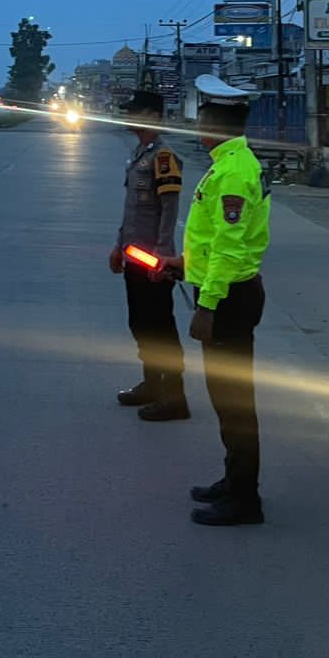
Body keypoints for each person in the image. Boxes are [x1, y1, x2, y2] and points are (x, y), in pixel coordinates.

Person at [164, 73, 271, 526]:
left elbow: (230, 248)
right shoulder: (227, 163)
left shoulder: (233, 172)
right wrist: (183, 264)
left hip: (229, 299)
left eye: (203, 121)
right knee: (226, 399)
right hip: (224, 290)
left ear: (219, 126)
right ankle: (234, 481)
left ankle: (245, 500)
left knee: (234, 401)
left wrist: (206, 306)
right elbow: (212, 241)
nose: (198, 128)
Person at [108, 88, 187, 421]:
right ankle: (152, 383)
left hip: (153, 261)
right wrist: (119, 246)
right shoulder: (141, 154)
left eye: (135, 111)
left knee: (160, 327)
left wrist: (163, 256)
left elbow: (169, 210)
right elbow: (132, 212)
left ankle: (175, 395)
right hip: (134, 256)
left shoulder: (163, 157)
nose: (128, 116)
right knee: (140, 323)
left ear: (153, 117)